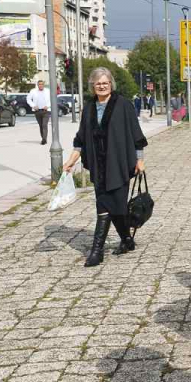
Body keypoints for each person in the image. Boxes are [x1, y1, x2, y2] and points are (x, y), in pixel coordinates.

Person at [63, 68, 147, 268]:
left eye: (105, 83)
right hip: (98, 166)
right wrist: (71, 161)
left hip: (119, 163)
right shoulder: (89, 108)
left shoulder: (123, 105)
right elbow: (81, 139)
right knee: (108, 206)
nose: (102, 86)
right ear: (93, 86)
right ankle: (121, 242)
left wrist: (140, 159)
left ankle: (99, 249)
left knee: (113, 205)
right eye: (98, 83)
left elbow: (136, 134)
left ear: (111, 84)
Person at [28, 79, 52, 145]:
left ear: (44, 85)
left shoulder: (48, 91)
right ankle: (43, 138)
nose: (41, 85)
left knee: (44, 125)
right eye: (39, 84)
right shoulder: (33, 91)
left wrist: (48, 105)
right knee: (41, 125)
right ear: (37, 85)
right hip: (37, 111)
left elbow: (52, 98)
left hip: (46, 111)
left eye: (42, 84)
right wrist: (33, 105)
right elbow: (28, 99)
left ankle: (44, 139)